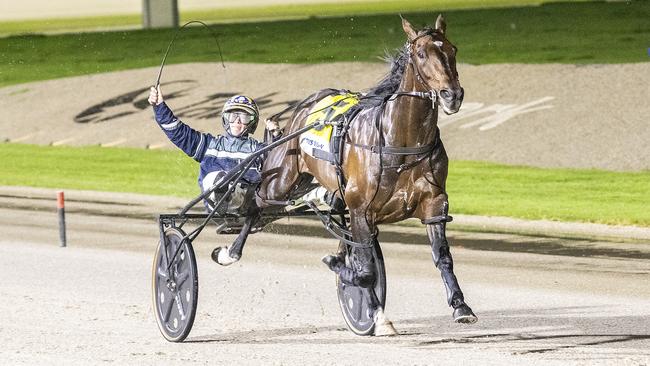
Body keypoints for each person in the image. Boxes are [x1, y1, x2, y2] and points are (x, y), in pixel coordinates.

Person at [148, 85, 281, 265]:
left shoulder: (259, 150)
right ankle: (225, 188)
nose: (237, 121)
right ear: (225, 119)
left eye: (244, 117)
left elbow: (280, 162)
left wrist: (275, 134)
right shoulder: (209, 145)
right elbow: (177, 132)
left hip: (248, 203)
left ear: (252, 122)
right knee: (218, 178)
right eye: (232, 116)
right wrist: (159, 106)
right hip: (217, 203)